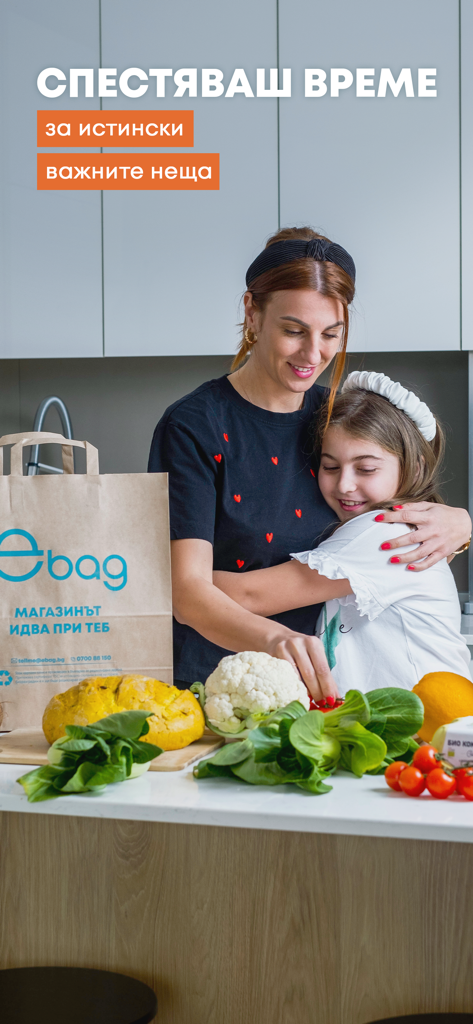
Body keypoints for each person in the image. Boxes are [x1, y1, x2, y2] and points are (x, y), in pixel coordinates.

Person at [148, 228, 471, 699]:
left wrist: (461, 522)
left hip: (323, 690)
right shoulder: (194, 425)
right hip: (219, 680)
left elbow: (396, 508)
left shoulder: (336, 417)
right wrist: (275, 638)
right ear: (252, 313)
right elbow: (188, 593)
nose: (313, 354)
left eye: (330, 335)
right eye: (293, 331)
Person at [213, 372, 471, 693]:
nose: (344, 485)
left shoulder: (382, 532)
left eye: (366, 469)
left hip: (431, 727)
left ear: (415, 468)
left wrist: (176, 579)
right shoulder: (385, 525)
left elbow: (249, 596)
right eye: (330, 466)